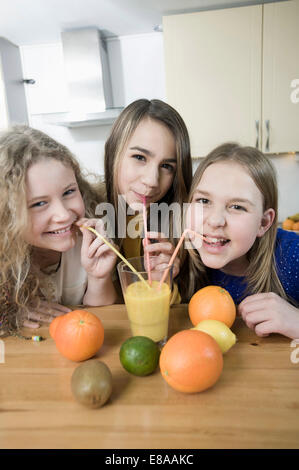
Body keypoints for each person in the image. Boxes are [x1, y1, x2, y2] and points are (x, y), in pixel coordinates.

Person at [0, 125, 117, 335]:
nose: (63, 215)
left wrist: (99, 278)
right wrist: (10, 314)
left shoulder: (89, 237)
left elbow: (104, 321)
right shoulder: (5, 257)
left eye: (69, 192)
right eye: (38, 204)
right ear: (7, 216)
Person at [183, 142, 299, 339]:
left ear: (263, 222)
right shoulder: (177, 258)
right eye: (204, 201)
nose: (215, 220)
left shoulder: (293, 254)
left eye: (237, 207)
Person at [102, 98, 193, 302]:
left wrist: (165, 281)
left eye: (167, 166)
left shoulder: (181, 225)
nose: (152, 181)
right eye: (140, 158)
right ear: (114, 152)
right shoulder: (88, 215)